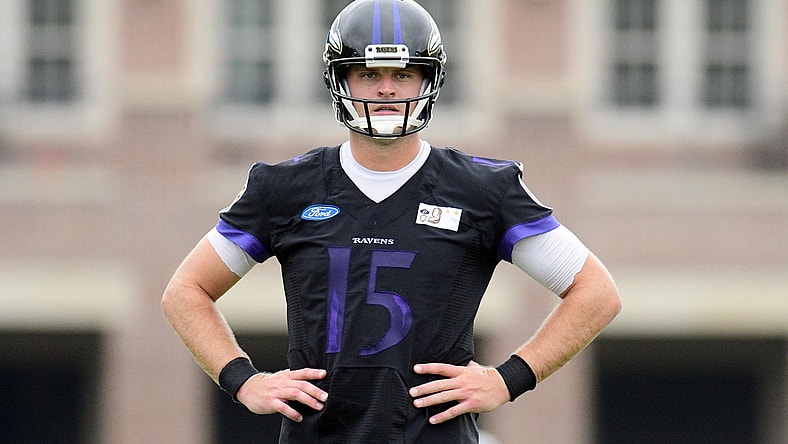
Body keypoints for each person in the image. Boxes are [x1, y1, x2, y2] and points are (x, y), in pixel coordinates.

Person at [161, 0, 621, 442]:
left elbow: (596, 293)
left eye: (402, 74)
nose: (386, 89)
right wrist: (243, 381)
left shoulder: (482, 189)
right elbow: (186, 291)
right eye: (368, 74)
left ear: (428, 79)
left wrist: (508, 379)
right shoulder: (284, 188)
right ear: (340, 79)